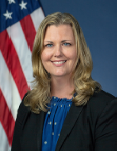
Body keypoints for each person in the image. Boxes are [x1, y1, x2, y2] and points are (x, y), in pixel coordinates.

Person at [11, 12, 117, 151]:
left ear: (79, 51)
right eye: (49, 45)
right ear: (40, 53)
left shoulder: (105, 107)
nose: (58, 53)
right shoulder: (29, 104)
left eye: (66, 44)